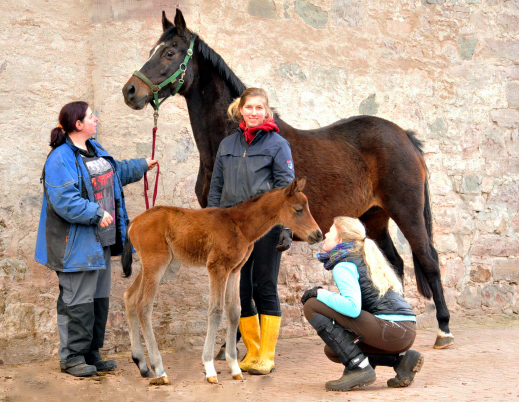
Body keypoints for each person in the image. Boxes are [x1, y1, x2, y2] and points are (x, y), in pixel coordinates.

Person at [35, 101, 157, 377]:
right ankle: (72, 357)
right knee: (76, 300)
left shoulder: (95, 150)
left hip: (100, 241)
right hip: (74, 245)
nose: (96, 119)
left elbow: (113, 174)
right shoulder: (60, 159)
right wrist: (96, 212)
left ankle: (91, 352)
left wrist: (141, 166)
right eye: (91, 116)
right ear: (78, 124)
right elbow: (64, 200)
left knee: (98, 299)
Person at [207, 88, 294, 375]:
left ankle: (267, 356)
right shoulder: (227, 144)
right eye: (249, 107)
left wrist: (284, 227)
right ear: (240, 110)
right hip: (231, 227)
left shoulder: (278, 144)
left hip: (265, 226)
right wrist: (212, 220)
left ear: (267, 112)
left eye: (259, 108)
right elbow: (216, 185)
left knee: (264, 285)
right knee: (240, 290)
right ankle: (252, 352)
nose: (254, 112)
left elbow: (286, 189)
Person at [302, 217, 424, 391]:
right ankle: (401, 361)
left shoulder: (343, 264)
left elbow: (352, 308)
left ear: (340, 240)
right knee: (334, 349)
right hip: (405, 331)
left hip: (391, 328)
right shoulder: (362, 257)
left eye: (330, 231)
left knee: (312, 304)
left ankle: (357, 366)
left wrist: (321, 293)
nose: (325, 234)